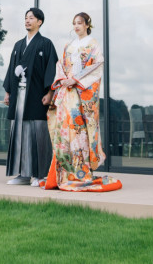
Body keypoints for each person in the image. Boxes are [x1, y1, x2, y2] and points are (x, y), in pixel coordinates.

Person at [42, 12, 120, 192]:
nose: (76, 26)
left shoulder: (93, 44)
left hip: (80, 92)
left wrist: (76, 80)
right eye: (74, 23)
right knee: (65, 130)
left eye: (79, 23)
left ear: (87, 25)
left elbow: (97, 66)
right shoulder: (69, 46)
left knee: (79, 131)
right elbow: (60, 67)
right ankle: (63, 172)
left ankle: (80, 171)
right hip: (66, 92)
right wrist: (63, 81)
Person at [2, 7, 58, 186]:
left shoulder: (46, 44)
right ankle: (24, 174)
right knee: (20, 133)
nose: (27, 21)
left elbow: (52, 70)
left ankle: (40, 175)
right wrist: (8, 91)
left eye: (31, 18)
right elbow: (12, 69)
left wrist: (50, 93)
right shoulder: (19, 45)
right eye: (26, 18)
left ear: (39, 22)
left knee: (39, 133)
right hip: (19, 96)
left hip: (36, 95)